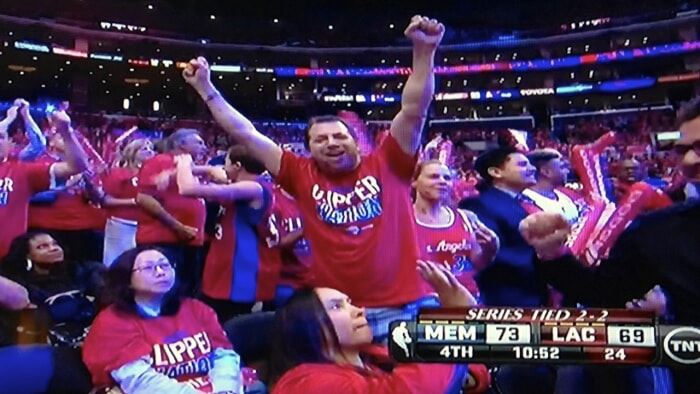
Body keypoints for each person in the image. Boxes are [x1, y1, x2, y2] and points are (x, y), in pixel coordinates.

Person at [184, 15, 445, 342]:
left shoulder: (389, 162)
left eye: (339, 136)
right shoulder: (298, 172)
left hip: (407, 305)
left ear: (355, 141)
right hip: (340, 314)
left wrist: (424, 51)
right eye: (320, 140)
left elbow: (414, 109)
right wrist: (206, 88)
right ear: (307, 149)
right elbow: (244, 133)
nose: (332, 143)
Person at [519, 96, 700, 394]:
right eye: (683, 151)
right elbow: (603, 290)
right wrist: (553, 254)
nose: (690, 161)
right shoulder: (658, 230)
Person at [268, 260, 481, 394]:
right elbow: (413, 389)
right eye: (337, 306)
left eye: (350, 302)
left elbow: (475, 371)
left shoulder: (375, 357)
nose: (358, 310)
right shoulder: (305, 384)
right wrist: (455, 319)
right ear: (307, 326)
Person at [82, 246, 243, 394]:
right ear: (127, 279)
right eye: (149, 268)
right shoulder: (112, 322)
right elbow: (140, 381)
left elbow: (224, 354)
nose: (160, 272)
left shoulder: (196, 308)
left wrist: (225, 389)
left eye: (165, 265)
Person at [174, 147, 274, 322]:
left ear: (237, 166)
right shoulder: (243, 185)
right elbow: (214, 172)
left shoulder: (253, 188)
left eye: (225, 162)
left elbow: (186, 189)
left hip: (238, 270)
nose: (222, 166)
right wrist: (206, 170)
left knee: (224, 323)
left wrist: (184, 163)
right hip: (224, 266)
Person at [0, 110, 89, 259]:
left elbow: (77, 166)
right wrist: (9, 119)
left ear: (10, 145)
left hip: (9, 260)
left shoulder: (21, 171)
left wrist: (66, 131)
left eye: (1, 137)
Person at [135, 128, 208, 296]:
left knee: (185, 294)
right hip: (165, 240)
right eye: (199, 142)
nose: (204, 146)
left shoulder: (191, 168)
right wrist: (178, 227)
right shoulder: (160, 161)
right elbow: (144, 198)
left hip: (189, 241)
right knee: (165, 294)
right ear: (181, 144)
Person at [412, 159, 498, 299]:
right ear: (414, 181)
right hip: (420, 304)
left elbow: (478, 264)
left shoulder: (466, 218)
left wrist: (490, 249)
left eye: (447, 178)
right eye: (434, 176)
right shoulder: (401, 219)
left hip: (465, 300)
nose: (442, 181)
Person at [0, 232, 101, 346]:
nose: (53, 249)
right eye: (42, 247)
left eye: (55, 244)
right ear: (28, 256)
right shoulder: (21, 288)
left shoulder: (83, 272)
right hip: (43, 347)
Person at [100, 138, 155, 266]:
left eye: (151, 149)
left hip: (148, 226)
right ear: (132, 153)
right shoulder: (118, 174)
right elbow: (106, 200)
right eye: (144, 149)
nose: (149, 152)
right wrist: (136, 202)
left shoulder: (155, 175)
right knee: (118, 261)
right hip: (122, 225)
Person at [523, 149, 582, 223]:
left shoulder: (565, 192)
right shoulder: (527, 202)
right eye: (562, 167)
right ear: (546, 172)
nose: (568, 171)